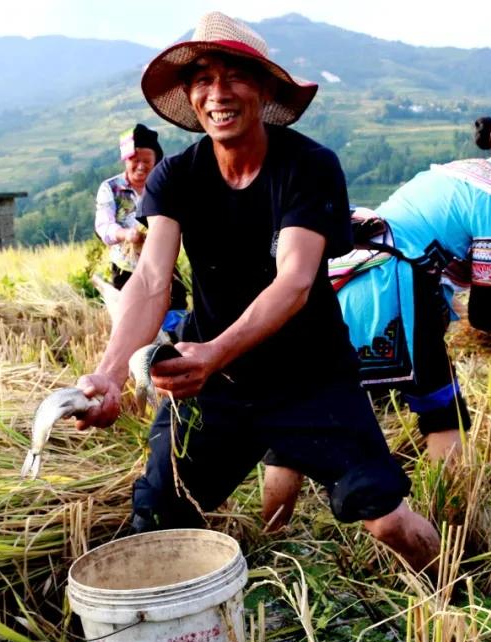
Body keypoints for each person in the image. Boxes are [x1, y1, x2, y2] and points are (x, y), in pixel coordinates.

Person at [74, 11, 441, 572]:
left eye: (234, 76)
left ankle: (454, 601)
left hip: (311, 379)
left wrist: (214, 351)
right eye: (202, 79)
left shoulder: (309, 166)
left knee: (386, 516)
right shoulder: (177, 177)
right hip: (216, 390)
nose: (217, 93)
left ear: (266, 87)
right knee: (159, 520)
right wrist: (110, 372)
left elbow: (293, 281)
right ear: (189, 95)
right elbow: (150, 280)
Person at [263, 114, 491, 530]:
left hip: (343, 285)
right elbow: (486, 314)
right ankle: (450, 525)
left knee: (307, 408)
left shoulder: (456, 174)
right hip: (396, 296)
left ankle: (271, 533)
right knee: (444, 411)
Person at [94, 123, 188, 334]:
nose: (141, 167)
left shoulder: (163, 186)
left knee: (176, 317)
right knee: (132, 326)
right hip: (126, 268)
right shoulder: (111, 188)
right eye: (135, 161)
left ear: (156, 161)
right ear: (125, 160)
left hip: (164, 266)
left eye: (147, 161)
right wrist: (127, 235)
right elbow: (104, 225)